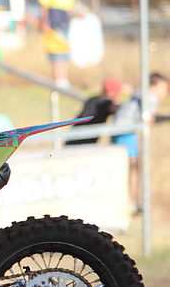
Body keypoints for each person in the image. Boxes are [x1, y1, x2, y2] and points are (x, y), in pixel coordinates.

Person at [112, 72, 170, 212]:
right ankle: (131, 202)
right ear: (153, 86)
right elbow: (148, 118)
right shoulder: (150, 97)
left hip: (123, 132)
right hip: (126, 133)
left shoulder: (141, 93)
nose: (165, 92)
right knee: (133, 167)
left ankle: (130, 201)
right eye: (163, 88)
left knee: (131, 167)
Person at [38, 0, 77, 88]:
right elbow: (44, 4)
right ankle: (58, 79)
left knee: (65, 49)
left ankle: (64, 79)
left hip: (64, 19)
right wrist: (45, 22)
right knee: (55, 51)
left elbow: (69, 7)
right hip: (54, 18)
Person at [65, 77, 122, 146]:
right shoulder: (106, 103)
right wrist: (116, 100)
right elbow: (118, 109)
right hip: (85, 141)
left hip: (73, 136)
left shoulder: (92, 99)